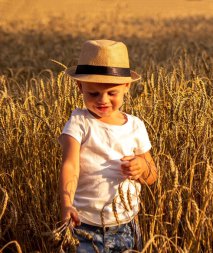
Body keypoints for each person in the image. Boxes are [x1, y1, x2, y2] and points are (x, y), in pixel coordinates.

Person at [59, 39, 157, 252]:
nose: (103, 100)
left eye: (112, 93)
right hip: (84, 225)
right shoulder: (79, 123)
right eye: (93, 93)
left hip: (126, 226)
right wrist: (66, 204)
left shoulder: (136, 126)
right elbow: (70, 165)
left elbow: (152, 176)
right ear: (79, 86)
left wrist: (141, 166)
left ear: (126, 87)